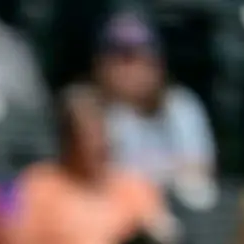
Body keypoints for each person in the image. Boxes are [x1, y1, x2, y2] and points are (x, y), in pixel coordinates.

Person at [1, 86, 171, 244]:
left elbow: (161, 243)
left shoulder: (137, 187)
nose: (98, 144)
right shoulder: (34, 186)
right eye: (87, 134)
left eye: (102, 133)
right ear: (67, 139)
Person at [92, 11, 216, 186]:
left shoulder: (181, 105)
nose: (131, 71)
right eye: (121, 60)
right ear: (102, 66)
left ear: (158, 64)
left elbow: (200, 170)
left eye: (139, 58)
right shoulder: (90, 114)